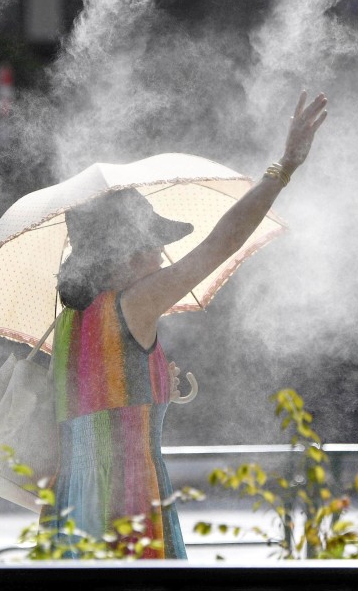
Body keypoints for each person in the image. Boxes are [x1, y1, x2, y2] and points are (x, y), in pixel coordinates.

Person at [42, 90, 328, 559]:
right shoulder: (132, 304)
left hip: (73, 503)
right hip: (126, 501)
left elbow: (102, 400)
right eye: (154, 244)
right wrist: (283, 169)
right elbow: (221, 244)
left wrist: (153, 383)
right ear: (126, 254)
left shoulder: (70, 321)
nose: (162, 255)